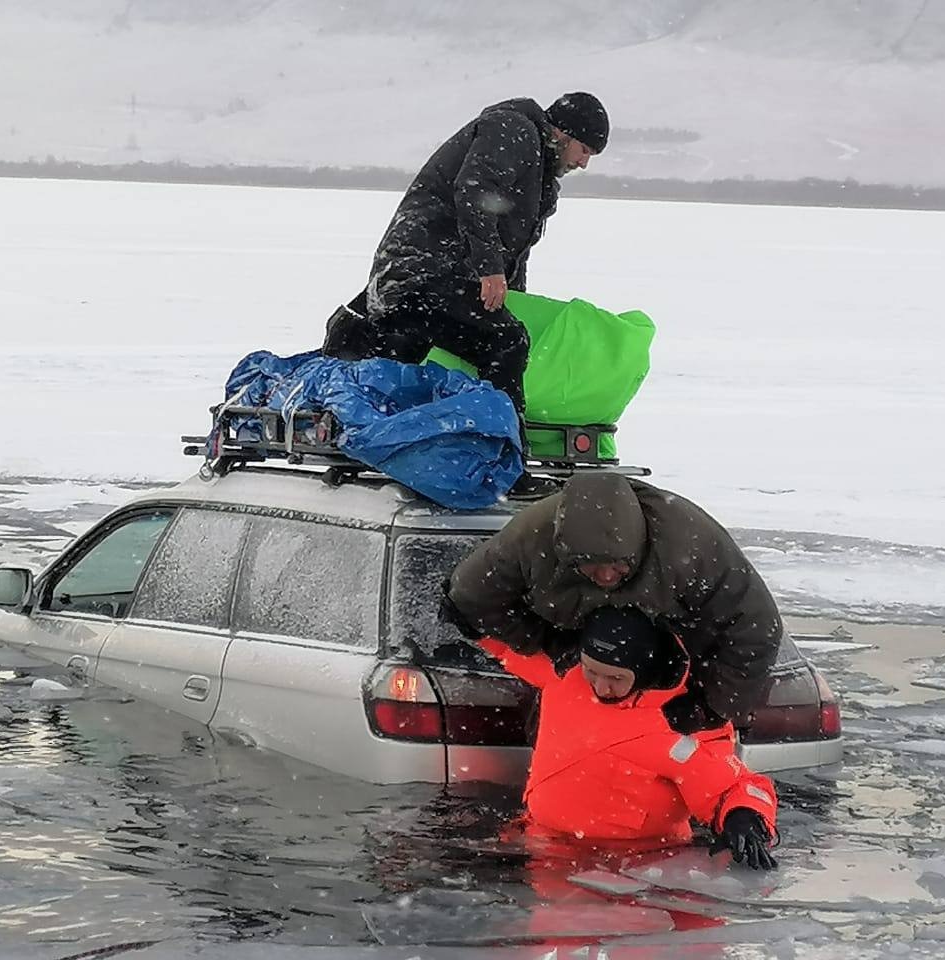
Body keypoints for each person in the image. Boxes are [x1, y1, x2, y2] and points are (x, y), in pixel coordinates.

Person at [322, 93, 610, 496]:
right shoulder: (513, 130)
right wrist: (489, 269)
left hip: (434, 279)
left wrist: (511, 295)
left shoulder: (539, 174)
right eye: (585, 150)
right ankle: (506, 468)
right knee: (506, 344)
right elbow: (473, 191)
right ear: (563, 133)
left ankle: (418, 452)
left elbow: (515, 250)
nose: (584, 162)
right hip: (421, 272)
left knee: (468, 346)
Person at [444, 472, 784, 731]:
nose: (606, 577)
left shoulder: (689, 548)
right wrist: (552, 643)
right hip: (572, 714)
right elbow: (474, 595)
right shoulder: (531, 539)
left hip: (680, 686)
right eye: (591, 566)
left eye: (618, 565)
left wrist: (712, 706)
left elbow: (756, 627)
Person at [477, 605, 779, 869]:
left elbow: (737, 785)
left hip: (642, 865)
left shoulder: (683, 721)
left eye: (616, 678)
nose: (599, 686)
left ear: (645, 671)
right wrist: (472, 615)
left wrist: (745, 815)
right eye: (591, 671)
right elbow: (509, 648)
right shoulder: (565, 675)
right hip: (544, 848)